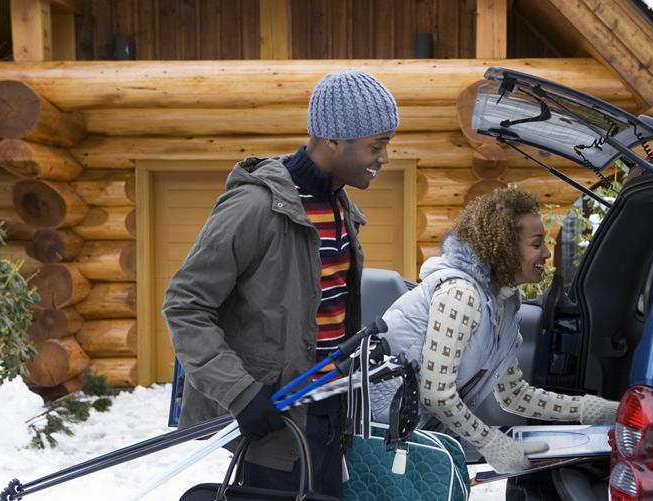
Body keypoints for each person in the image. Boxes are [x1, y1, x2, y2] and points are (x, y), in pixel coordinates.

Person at [162, 70, 399, 496]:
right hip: (273, 418)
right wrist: (240, 394)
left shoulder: (339, 206)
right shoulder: (257, 207)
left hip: (329, 412)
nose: (385, 157)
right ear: (334, 140)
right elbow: (185, 305)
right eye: (377, 145)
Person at [377, 187, 619, 473]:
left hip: (414, 435)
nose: (546, 252)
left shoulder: (505, 304)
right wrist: (490, 442)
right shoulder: (461, 294)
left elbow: (514, 394)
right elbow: (436, 393)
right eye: (536, 243)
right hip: (379, 439)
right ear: (505, 247)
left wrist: (592, 410)